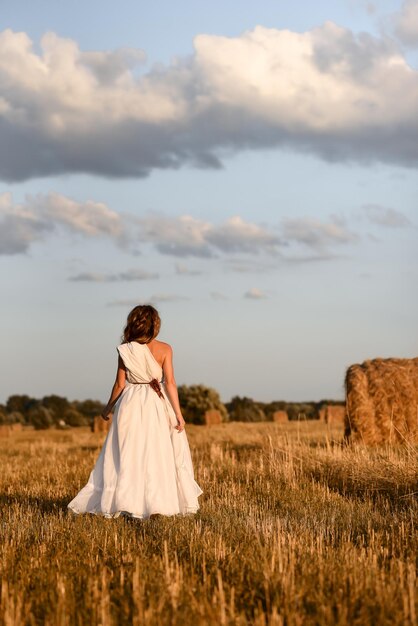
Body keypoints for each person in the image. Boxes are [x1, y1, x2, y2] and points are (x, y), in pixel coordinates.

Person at [67, 304, 203, 519]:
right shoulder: (166, 349)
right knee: (158, 454)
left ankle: (127, 503)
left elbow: (120, 385)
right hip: (157, 404)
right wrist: (178, 414)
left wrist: (108, 408)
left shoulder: (125, 349)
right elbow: (171, 384)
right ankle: (157, 504)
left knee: (127, 454)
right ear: (155, 325)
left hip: (130, 404)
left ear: (133, 323)